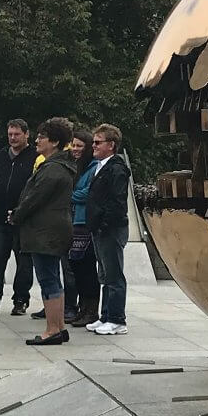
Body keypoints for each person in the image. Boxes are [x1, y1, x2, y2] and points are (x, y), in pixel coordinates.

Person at [10, 117, 76, 345]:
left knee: (48, 280)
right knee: (52, 279)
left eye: (42, 137)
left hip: (45, 231)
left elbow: (34, 199)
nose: (37, 140)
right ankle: (59, 327)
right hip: (51, 229)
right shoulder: (59, 166)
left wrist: (16, 216)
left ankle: (52, 330)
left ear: (55, 142)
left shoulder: (53, 169)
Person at [0, 119, 37, 317]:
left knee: (25, 263)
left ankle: (21, 300)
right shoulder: (0, 156)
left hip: (24, 221)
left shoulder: (36, 157)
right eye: (10, 134)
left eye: (16, 134)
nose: (12, 138)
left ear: (26, 134)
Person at [85, 124, 130, 336]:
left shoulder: (116, 168)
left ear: (111, 145)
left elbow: (117, 201)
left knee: (113, 275)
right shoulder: (100, 166)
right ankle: (105, 316)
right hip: (100, 228)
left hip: (110, 229)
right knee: (104, 274)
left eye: (98, 142)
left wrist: (104, 224)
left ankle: (117, 319)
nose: (93, 145)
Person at [68, 129, 101, 327]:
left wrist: (68, 193)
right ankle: (82, 309)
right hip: (73, 223)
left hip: (86, 224)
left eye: (80, 145)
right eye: (73, 145)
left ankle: (92, 310)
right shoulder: (76, 166)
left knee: (88, 268)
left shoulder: (95, 167)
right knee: (76, 268)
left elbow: (87, 194)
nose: (75, 149)